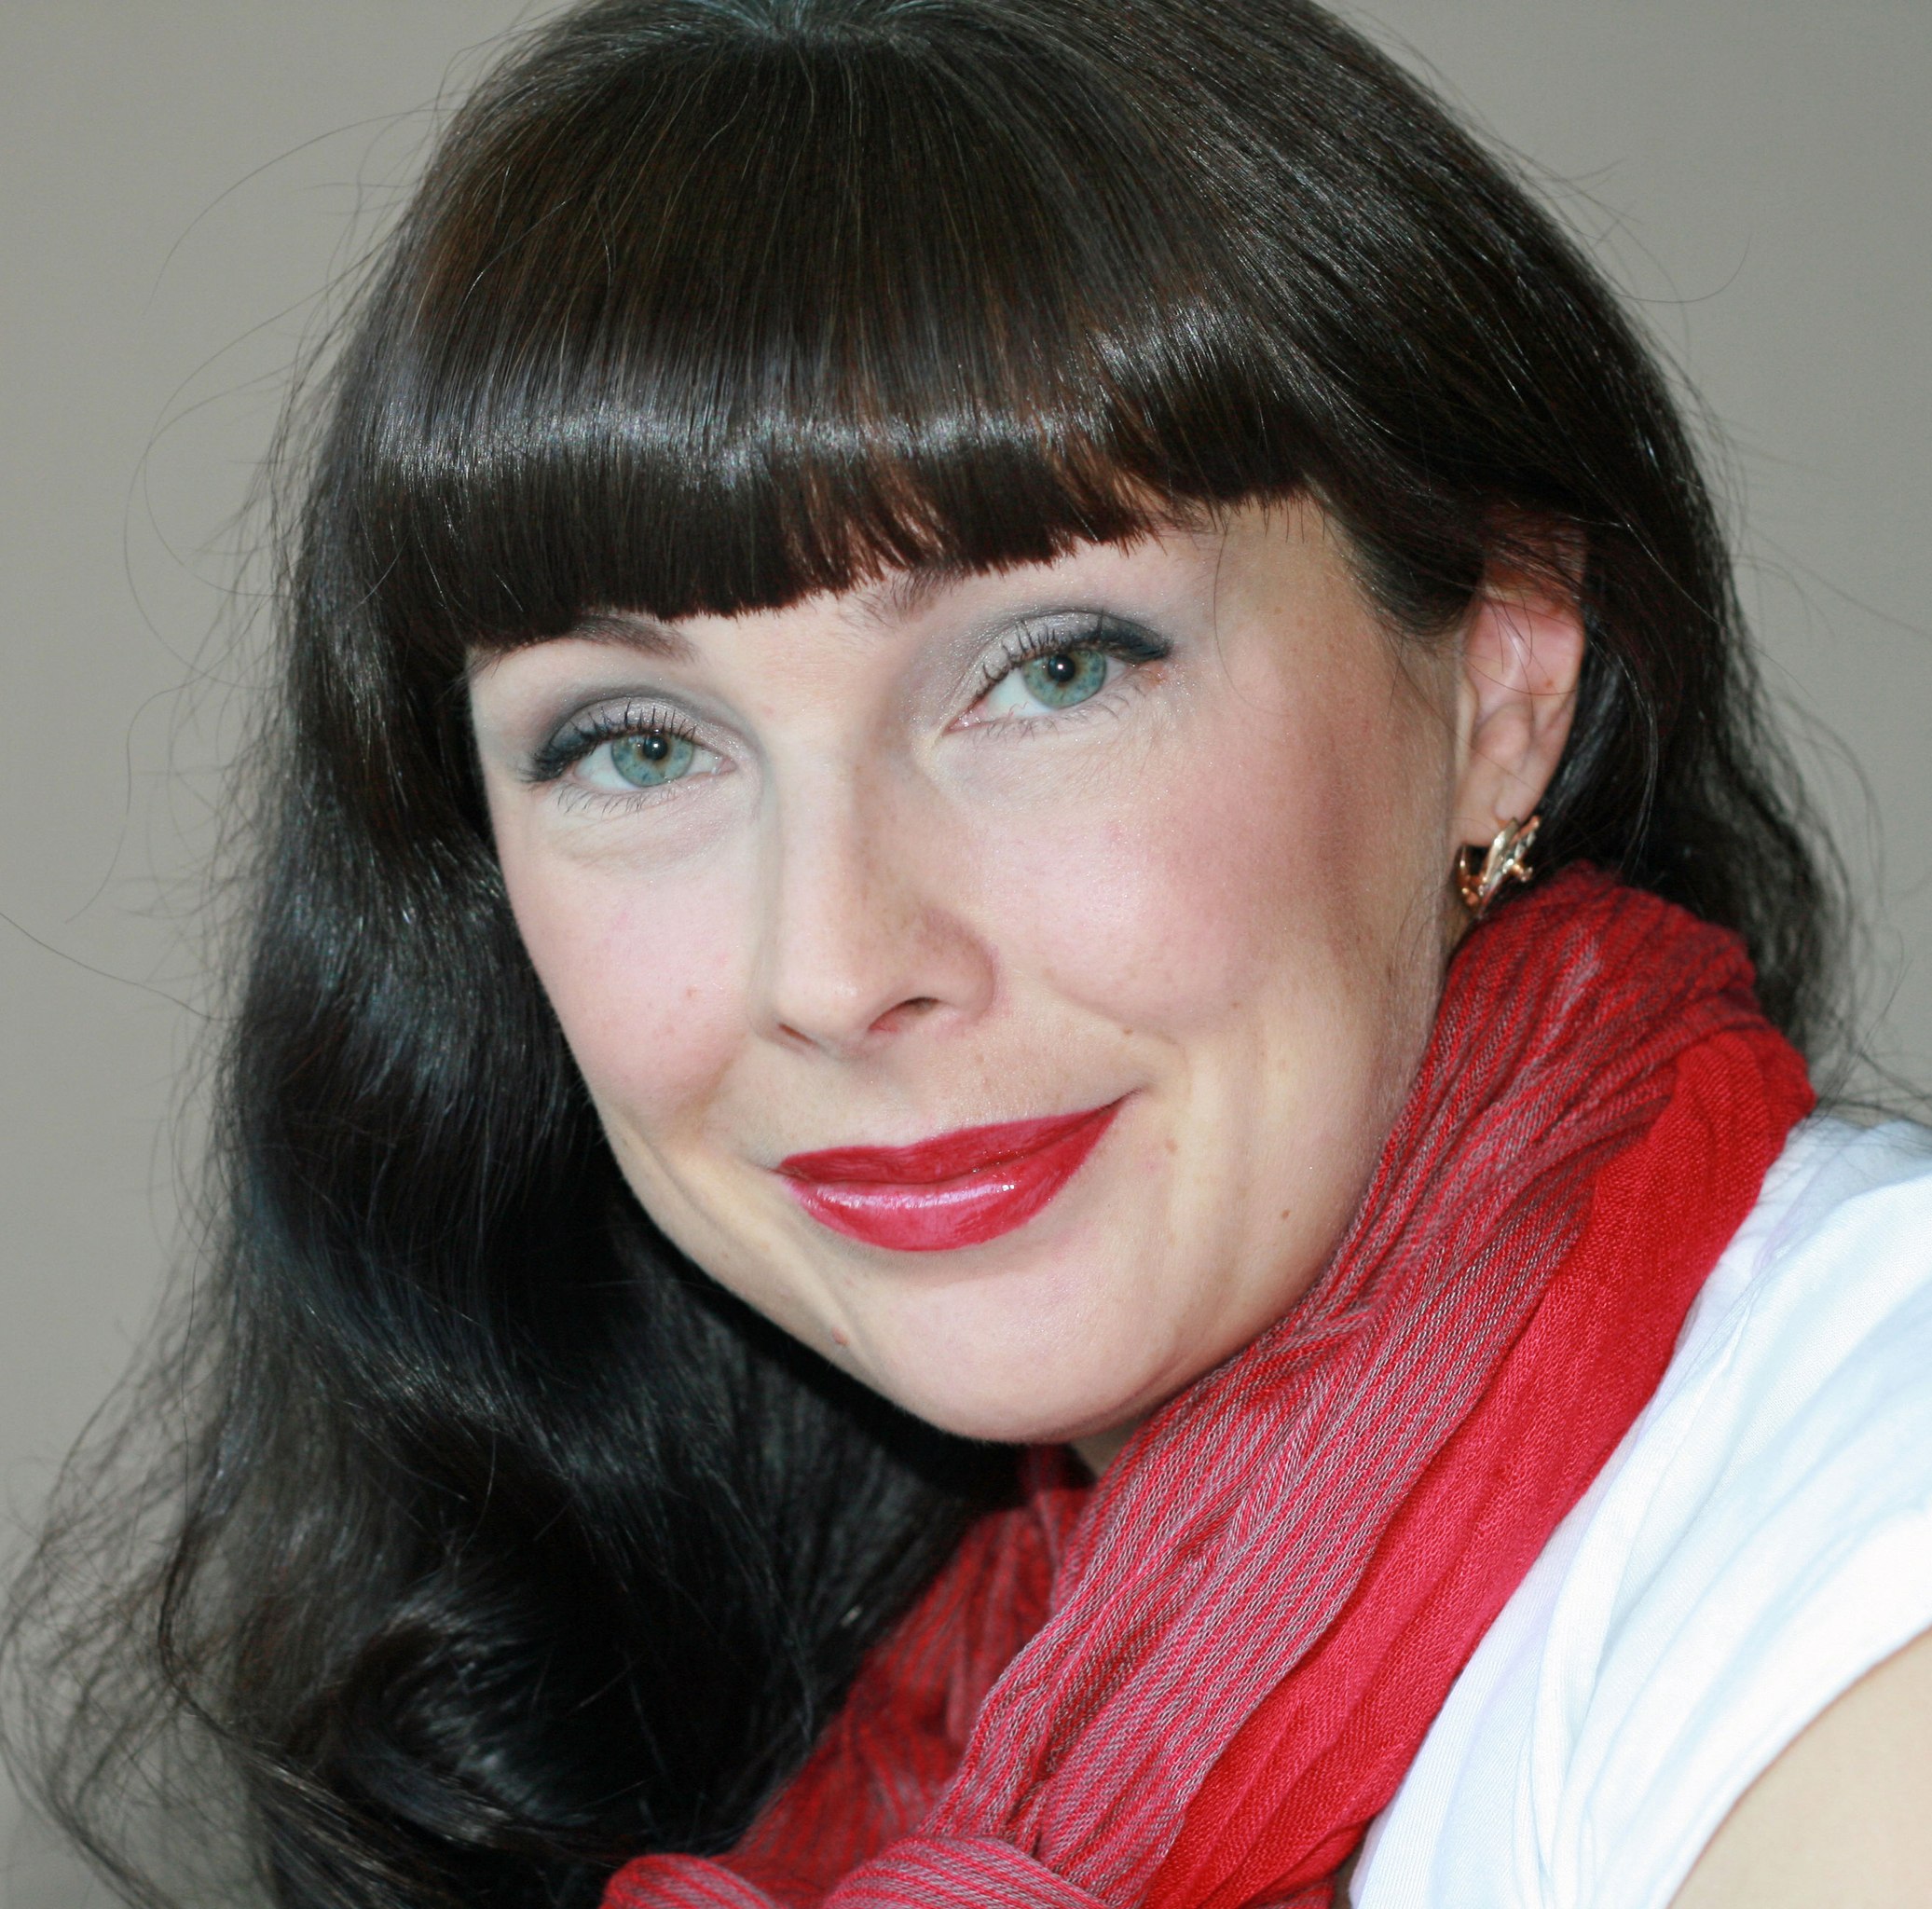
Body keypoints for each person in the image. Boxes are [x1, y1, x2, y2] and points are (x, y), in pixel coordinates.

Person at [7, 0, 1932, 1905]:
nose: (835, 966)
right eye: (639, 746)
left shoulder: (1856, 1542)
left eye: (1054, 669)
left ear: (1498, 680)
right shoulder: (883, 1659)